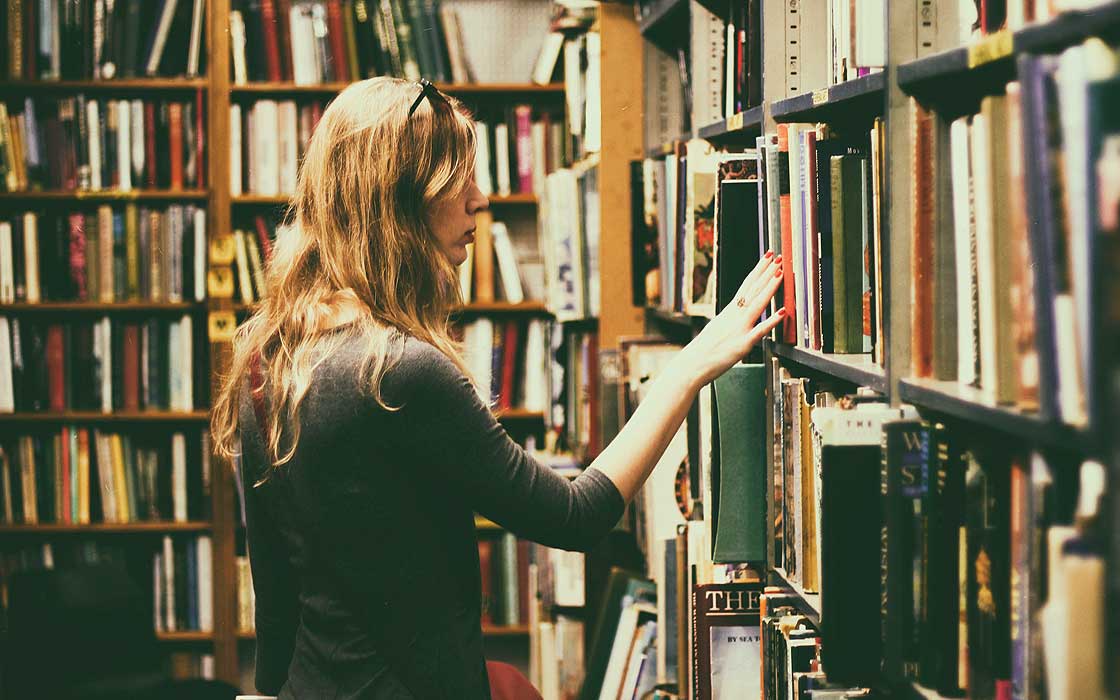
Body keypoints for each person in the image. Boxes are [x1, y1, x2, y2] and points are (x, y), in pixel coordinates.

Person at [211, 77, 785, 700]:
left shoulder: (269, 364)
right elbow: (576, 515)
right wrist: (689, 367)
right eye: (459, 181)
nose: (479, 201)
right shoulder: (400, 373)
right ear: (403, 200)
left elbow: (275, 595)